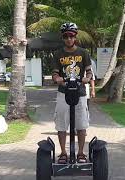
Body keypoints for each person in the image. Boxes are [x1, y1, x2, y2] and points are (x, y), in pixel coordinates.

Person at [51, 22, 93, 164]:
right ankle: (63, 153)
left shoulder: (83, 53)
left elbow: (89, 72)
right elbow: (55, 74)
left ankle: (81, 153)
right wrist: (58, 79)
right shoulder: (58, 54)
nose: (69, 39)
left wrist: (87, 79)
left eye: (71, 36)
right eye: (66, 36)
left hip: (80, 93)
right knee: (61, 125)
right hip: (63, 93)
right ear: (63, 38)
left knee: (81, 125)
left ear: (75, 37)